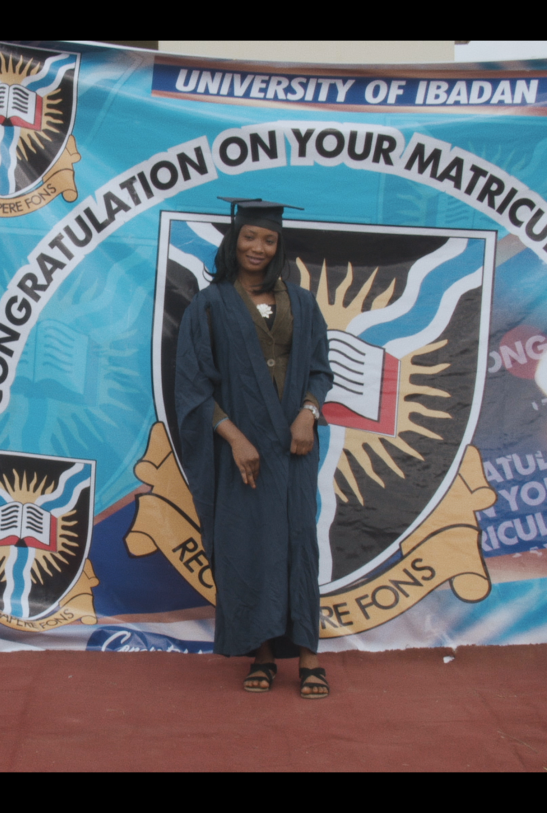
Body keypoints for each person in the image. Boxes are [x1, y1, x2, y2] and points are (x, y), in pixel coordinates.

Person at [174, 197, 334, 699]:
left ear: (279, 245)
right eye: (249, 237)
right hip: (238, 452)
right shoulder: (210, 303)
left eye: (268, 239)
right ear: (234, 241)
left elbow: (320, 369)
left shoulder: (303, 304)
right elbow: (192, 384)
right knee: (247, 549)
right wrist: (235, 437)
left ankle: (309, 656)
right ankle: (261, 654)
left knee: (297, 547)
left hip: (294, 449)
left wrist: (308, 412)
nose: (258, 247)